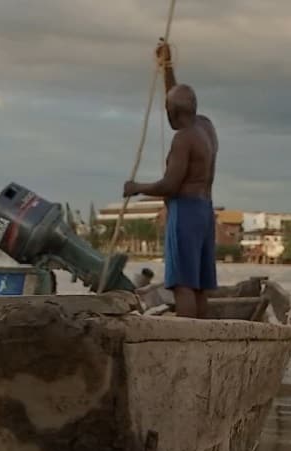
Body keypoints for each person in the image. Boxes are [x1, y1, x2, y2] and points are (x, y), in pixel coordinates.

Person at [124, 40, 219, 319]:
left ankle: (187, 335)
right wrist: (167, 67)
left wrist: (136, 188)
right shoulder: (205, 127)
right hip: (205, 211)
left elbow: (170, 185)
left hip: (186, 212)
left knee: (183, 285)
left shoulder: (183, 139)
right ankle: (204, 334)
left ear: (173, 113)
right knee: (199, 285)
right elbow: (177, 100)